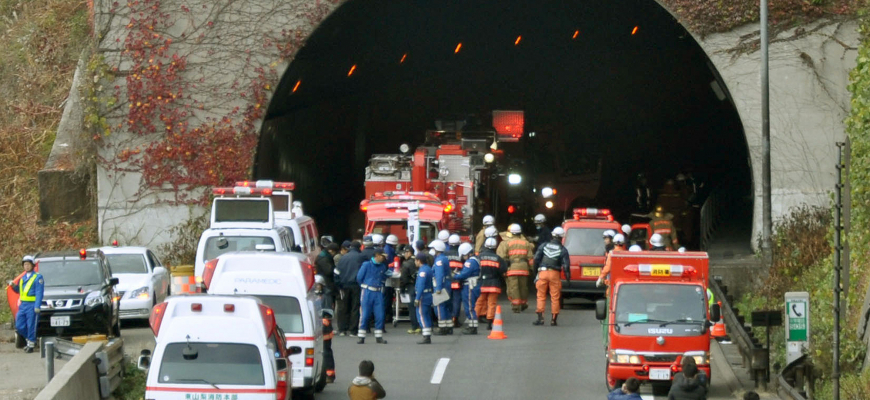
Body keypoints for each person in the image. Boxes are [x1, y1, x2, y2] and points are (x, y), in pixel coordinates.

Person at [533, 227, 570, 326]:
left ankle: (540, 319)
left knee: (541, 295)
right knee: (555, 297)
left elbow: (536, 259)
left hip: (543, 272)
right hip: (555, 274)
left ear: (552, 235)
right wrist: (568, 279)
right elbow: (566, 266)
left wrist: (535, 273)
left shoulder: (543, 245)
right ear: (562, 238)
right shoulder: (563, 249)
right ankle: (553, 320)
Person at [356, 249, 393, 344]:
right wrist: (365, 286)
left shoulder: (382, 266)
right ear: (377, 255)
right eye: (382, 256)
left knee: (380, 314)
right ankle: (361, 336)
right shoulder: (366, 265)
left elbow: (384, 277)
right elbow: (359, 278)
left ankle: (379, 336)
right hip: (367, 291)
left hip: (378, 292)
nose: (384, 258)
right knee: (365, 314)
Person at [9, 255, 43, 353]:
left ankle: (31, 345)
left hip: (32, 305)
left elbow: (39, 292)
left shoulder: (38, 277)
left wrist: (37, 306)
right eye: (25, 264)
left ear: (32, 265)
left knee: (31, 325)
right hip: (23, 306)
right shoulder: (22, 278)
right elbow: (19, 291)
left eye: (28, 264)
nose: (26, 266)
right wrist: (13, 285)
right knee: (19, 326)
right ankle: (30, 340)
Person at [497, 224, 535, 313]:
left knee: (513, 288)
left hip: (512, 268)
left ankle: (516, 306)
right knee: (523, 287)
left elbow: (501, 257)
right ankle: (523, 303)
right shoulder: (526, 243)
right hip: (524, 268)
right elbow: (530, 257)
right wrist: (532, 269)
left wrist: (502, 270)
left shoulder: (506, 243)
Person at [476, 237, 508, 330]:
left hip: (481, 283)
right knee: (492, 303)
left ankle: (473, 320)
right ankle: (489, 322)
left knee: (479, 302)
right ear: (495, 247)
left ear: (485, 246)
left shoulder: (479, 257)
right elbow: (503, 271)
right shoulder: (498, 258)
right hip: (494, 284)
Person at [335, 241, 364, 336]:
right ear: (359, 248)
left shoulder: (343, 258)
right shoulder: (360, 258)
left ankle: (342, 329)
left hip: (344, 285)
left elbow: (336, 272)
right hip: (356, 285)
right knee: (355, 307)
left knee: (343, 307)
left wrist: (338, 284)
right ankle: (353, 330)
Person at [453, 242, 480, 334]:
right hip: (473, 285)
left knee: (469, 306)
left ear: (466, 254)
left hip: (469, 286)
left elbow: (464, 274)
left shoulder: (470, 262)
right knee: (470, 306)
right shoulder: (475, 260)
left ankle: (473, 327)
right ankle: (472, 325)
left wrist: (455, 275)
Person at [429, 240, 453, 335]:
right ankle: (448, 326)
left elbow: (439, 275)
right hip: (446, 284)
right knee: (446, 306)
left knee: (439, 307)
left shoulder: (439, 260)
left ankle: (442, 327)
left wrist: (438, 288)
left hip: (441, 285)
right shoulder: (444, 258)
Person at [399, 246, 421, 334]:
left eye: (405, 253)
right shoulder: (419, 261)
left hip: (410, 286)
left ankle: (415, 327)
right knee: (421, 307)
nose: (404, 255)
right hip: (420, 286)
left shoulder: (406, 264)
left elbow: (403, 279)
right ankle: (424, 325)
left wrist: (402, 289)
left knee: (412, 307)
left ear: (409, 253)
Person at [414, 252, 435, 344]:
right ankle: (428, 333)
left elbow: (421, 285)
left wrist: (417, 298)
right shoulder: (429, 269)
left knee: (421, 315)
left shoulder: (422, 271)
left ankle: (426, 336)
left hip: (423, 295)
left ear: (418, 261)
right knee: (426, 315)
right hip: (429, 294)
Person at [446, 234, 463, 328]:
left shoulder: (445, 254)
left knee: (447, 300)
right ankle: (455, 319)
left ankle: (448, 318)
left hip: (447, 282)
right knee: (456, 301)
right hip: (457, 282)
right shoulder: (460, 254)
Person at [316, 243, 339, 310]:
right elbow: (328, 271)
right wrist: (334, 269)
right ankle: (327, 315)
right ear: (331, 250)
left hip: (326, 282)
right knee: (327, 301)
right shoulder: (324, 258)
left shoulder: (325, 256)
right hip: (326, 283)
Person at [382, 235, 399, 325]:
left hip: (387, 276)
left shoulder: (386, 249)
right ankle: (386, 315)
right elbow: (389, 264)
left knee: (387, 297)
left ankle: (387, 315)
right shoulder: (389, 250)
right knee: (387, 297)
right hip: (388, 277)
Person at [321, 309, 336, 383]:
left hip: (324, 336)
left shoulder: (324, 321)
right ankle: (329, 375)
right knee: (327, 353)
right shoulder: (325, 321)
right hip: (325, 336)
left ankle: (329, 375)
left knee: (326, 353)